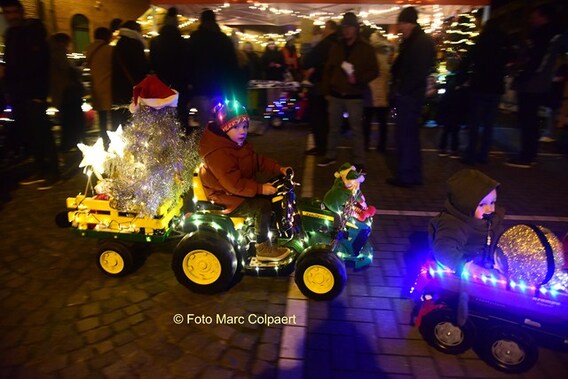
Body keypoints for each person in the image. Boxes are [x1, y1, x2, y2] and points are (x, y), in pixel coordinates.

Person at [199, 100, 292, 261]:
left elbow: (256, 161)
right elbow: (233, 184)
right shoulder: (219, 152)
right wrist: (260, 189)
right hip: (223, 195)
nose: (242, 131)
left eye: (245, 127)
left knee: (275, 194)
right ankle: (262, 247)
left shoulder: (236, 144)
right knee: (261, 206)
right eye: (236, 127)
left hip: (235, 190)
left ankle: (273, 231)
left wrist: (279, 169)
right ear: (225, 128)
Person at [1, 0, 60, 190]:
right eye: (7, 13)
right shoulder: (10, 34)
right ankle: (40, 168)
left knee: (42, 133)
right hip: (19, 94)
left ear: (21, 11)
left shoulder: (33, 30)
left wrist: (40, 93)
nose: (11, 16)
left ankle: (53, 173)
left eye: (13, 12)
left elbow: (40, 63)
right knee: (31, 134)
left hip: (33, 92)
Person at [318, 12, 379, 172]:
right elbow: (328, 69)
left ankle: (359, 160)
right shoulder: (337, 46)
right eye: (344, 27)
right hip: (336, 94)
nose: (347, 30)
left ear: (356, 29)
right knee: (333, 127)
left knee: (356, 129)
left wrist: (358, 79)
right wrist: (327, 90)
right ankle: (330, 155)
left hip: (355, 95)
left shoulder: (365, 48)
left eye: (350, 27)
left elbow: (374, 71)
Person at [506, 4, 562, 168]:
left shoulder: (544, 35)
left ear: (543, 17)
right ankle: (529, 154)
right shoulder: (551, 34)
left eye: (534, 16)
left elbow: (537, 60)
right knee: (530, 120)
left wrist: (522, 73)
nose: (532, 19)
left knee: (527, 120)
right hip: (536, 83)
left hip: (532, 84)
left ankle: (526, 157)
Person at [388, 6, 435, 187]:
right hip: (411, 95)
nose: (400, 28)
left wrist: (402, 90)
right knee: (411, 136)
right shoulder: (417, 41)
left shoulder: (419, 43)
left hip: (409, 96)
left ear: (409, 23)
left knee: (406, 136)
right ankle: (413, 174)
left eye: (401, 23)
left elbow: (416, 72)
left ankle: (406, 175)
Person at [429, 169, 505, 279]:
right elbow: (444, 251)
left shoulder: (492, 219)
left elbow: (500, 240)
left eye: (492, 202)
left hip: (485, 268)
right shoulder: (453, 224)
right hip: (460, 274)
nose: (490, 209)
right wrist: (469, 268)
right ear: (465, 204)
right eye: (482, 204)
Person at [462, 19, 509, 165]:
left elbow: (468, 59)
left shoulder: (482, 41)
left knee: (475, 122)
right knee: (489, 123)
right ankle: (483, 154)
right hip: (495, 86)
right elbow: (511, 58)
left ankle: (471, 154)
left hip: (479, 84)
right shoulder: (504, 42)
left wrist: (463, 78)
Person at [187, 9, 239, 130]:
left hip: (200, 85)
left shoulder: (195, 38)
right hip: (220, 85)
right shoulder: (223, 39)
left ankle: (206, 142)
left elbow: (188, 61)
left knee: (204, 121)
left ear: (202, 21)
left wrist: (190, 81)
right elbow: (232, 64)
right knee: (220, 117)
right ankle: (220, 142)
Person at [149, 7, 191, 132]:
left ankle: (163, 146)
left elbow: (152, 65)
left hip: (161, 86)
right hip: (180, 86)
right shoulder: (183, 43)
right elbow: (188, 65)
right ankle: (182, 145)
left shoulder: (155, 42)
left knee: (162, 118)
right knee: (181, 118)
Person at [302, 20, 338, 156]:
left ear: (329, 28)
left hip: (320, 85)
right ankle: (327, 147)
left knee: (318, 118)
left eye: (325, 28)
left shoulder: (326, 44)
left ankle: (321, 147)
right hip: (333, 86)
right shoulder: (339, 43)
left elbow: (308, 61)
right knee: (328, 119)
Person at [48, 32, 85, 153]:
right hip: (68, 92)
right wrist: (79, 70)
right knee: (73, 119)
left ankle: (69, 143)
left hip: (61, 92)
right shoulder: (59, 52)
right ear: (64, 42)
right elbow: (68, 71)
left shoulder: (52, 53)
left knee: (67, 119)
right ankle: (73, 143)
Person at [111, 20, 150, 129]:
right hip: (134, 89)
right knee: (134, 119)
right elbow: (142, 67)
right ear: (135, 30)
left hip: (119, 89)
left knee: (124, 119)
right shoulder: (136, 44)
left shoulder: (119, 43)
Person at [364, 32, 392, 153]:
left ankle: (365, 145)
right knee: (383, 122)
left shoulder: (370, 56)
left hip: (370, 92)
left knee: (367, 121)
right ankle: (382, 146)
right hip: (384, 93)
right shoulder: (389, 54)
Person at [86, 27, 113, 147]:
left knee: (102, 118)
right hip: (108, 87)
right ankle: (113, 139)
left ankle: (104, 139)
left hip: (96, 88)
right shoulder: (109, 50)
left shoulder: (89, 50)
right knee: (113, 116)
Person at [437, 56, 467, 159]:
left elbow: (445, 94)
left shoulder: (449, 79)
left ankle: (443, 148)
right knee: (455, 130)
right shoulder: (460, 78)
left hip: (449, 106)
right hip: (457, 107)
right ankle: (454, 149)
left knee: (446, 129)